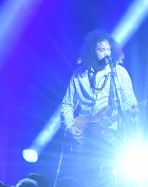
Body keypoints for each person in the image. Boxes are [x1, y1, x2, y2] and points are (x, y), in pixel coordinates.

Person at [58, 30, 137, 158]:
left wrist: (134, 112)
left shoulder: (119, 73)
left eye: (108, 49)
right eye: (101, 50)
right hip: (85, 138)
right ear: (91, 52)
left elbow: (130, 103)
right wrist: (69, 127)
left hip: (112, 138)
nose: (106, 54)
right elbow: (67, 104)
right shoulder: (78, 76)